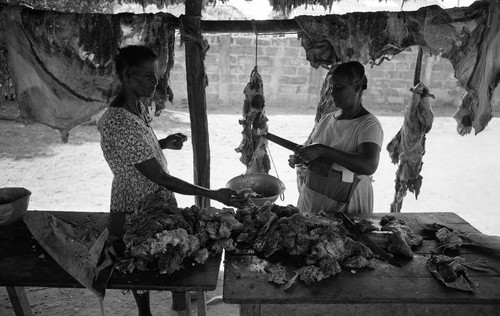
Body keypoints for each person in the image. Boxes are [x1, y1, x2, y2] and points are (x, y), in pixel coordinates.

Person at [97, 45, 247, 316]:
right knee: (140, 258)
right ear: (128, 76)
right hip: (136, 201)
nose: (155, 81)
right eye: (148, 75)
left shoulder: (138, 108)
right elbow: (161, 177)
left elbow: (139, 152)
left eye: (155, 74)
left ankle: (179, 303)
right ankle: (145, 312)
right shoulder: (117, 122)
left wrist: (162, 143)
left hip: (155, 195)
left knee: (171, 249)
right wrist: (214, 194)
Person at [289, 61, 383, 215]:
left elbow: (368, 165)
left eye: (339, 88)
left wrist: (322, 150)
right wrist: (304, 157)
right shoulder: (327, 119)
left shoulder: (368, 124)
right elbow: (317, 153)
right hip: (315, 195)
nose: (332, 93)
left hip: (347, 200)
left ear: (357, 88)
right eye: (331, 88)